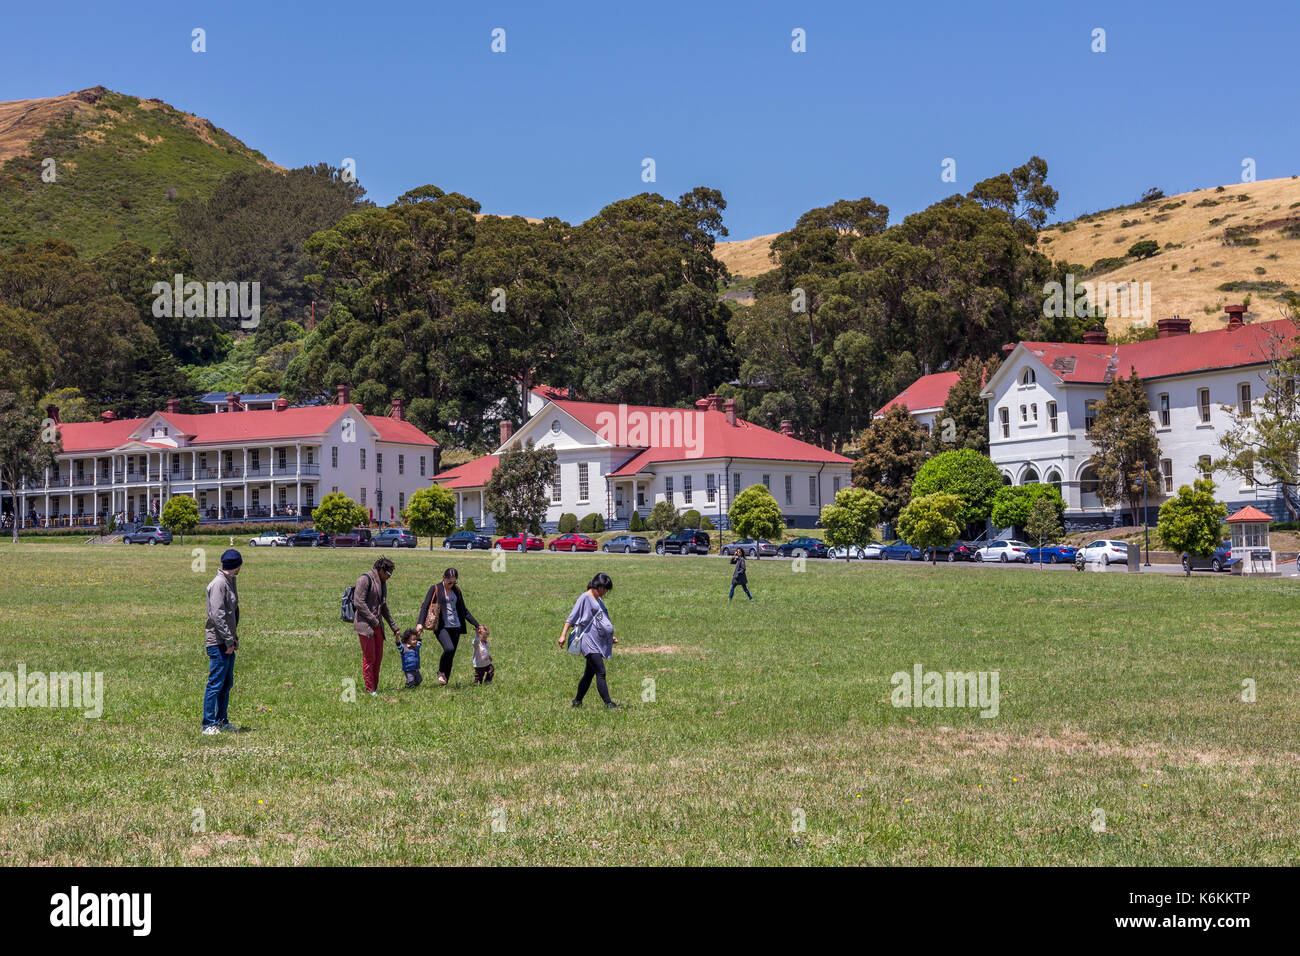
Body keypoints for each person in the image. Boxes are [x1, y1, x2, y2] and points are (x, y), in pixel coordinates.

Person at [558, 573, 620, 709]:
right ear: (599, 586)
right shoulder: (585, 597)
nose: (606, 593)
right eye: (605, 589)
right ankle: (609, 704)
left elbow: (601, 620)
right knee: (601, 672)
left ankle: (577, 701)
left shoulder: (598, 599)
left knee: (588, 674)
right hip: (588, 642)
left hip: (598, 641)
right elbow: (571, 617)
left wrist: (610, 636)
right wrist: (563, 635)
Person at [203, 549, 245, 734]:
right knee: (215, 683)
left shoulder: (229, 582)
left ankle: (222, 720)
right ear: (237, 565)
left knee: (226, 683)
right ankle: (208, 724)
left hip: (227, 641)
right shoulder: (219, 584)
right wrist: (228, 641)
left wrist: (233, 639)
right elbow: (218, 615)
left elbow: (231, 613)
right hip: (218, 642)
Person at [416, 568, 481, 685]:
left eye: (454, 582)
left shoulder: (456, 590)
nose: (451, 585)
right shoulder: (435, 588)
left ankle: (445, 682)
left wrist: (476, 624)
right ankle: (441, 671)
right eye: (449, 582)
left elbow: (464, 610)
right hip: (441, 626)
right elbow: (425, 606)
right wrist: (420, 623)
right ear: (443, 578)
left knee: (451, 655)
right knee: (449, 649)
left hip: (456, 626)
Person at [354, 556, 400, 695]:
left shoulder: (382, 582)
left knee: (378, 657)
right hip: (365, 626)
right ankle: (370, 689)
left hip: (377, 625)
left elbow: (384, 607)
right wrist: (373, 620)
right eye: (388, 573)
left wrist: (394, 626)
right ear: (381, 570)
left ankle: (375, 687)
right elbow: (358, 603)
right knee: (370, 658)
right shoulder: (364, 579)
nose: (389, 577)